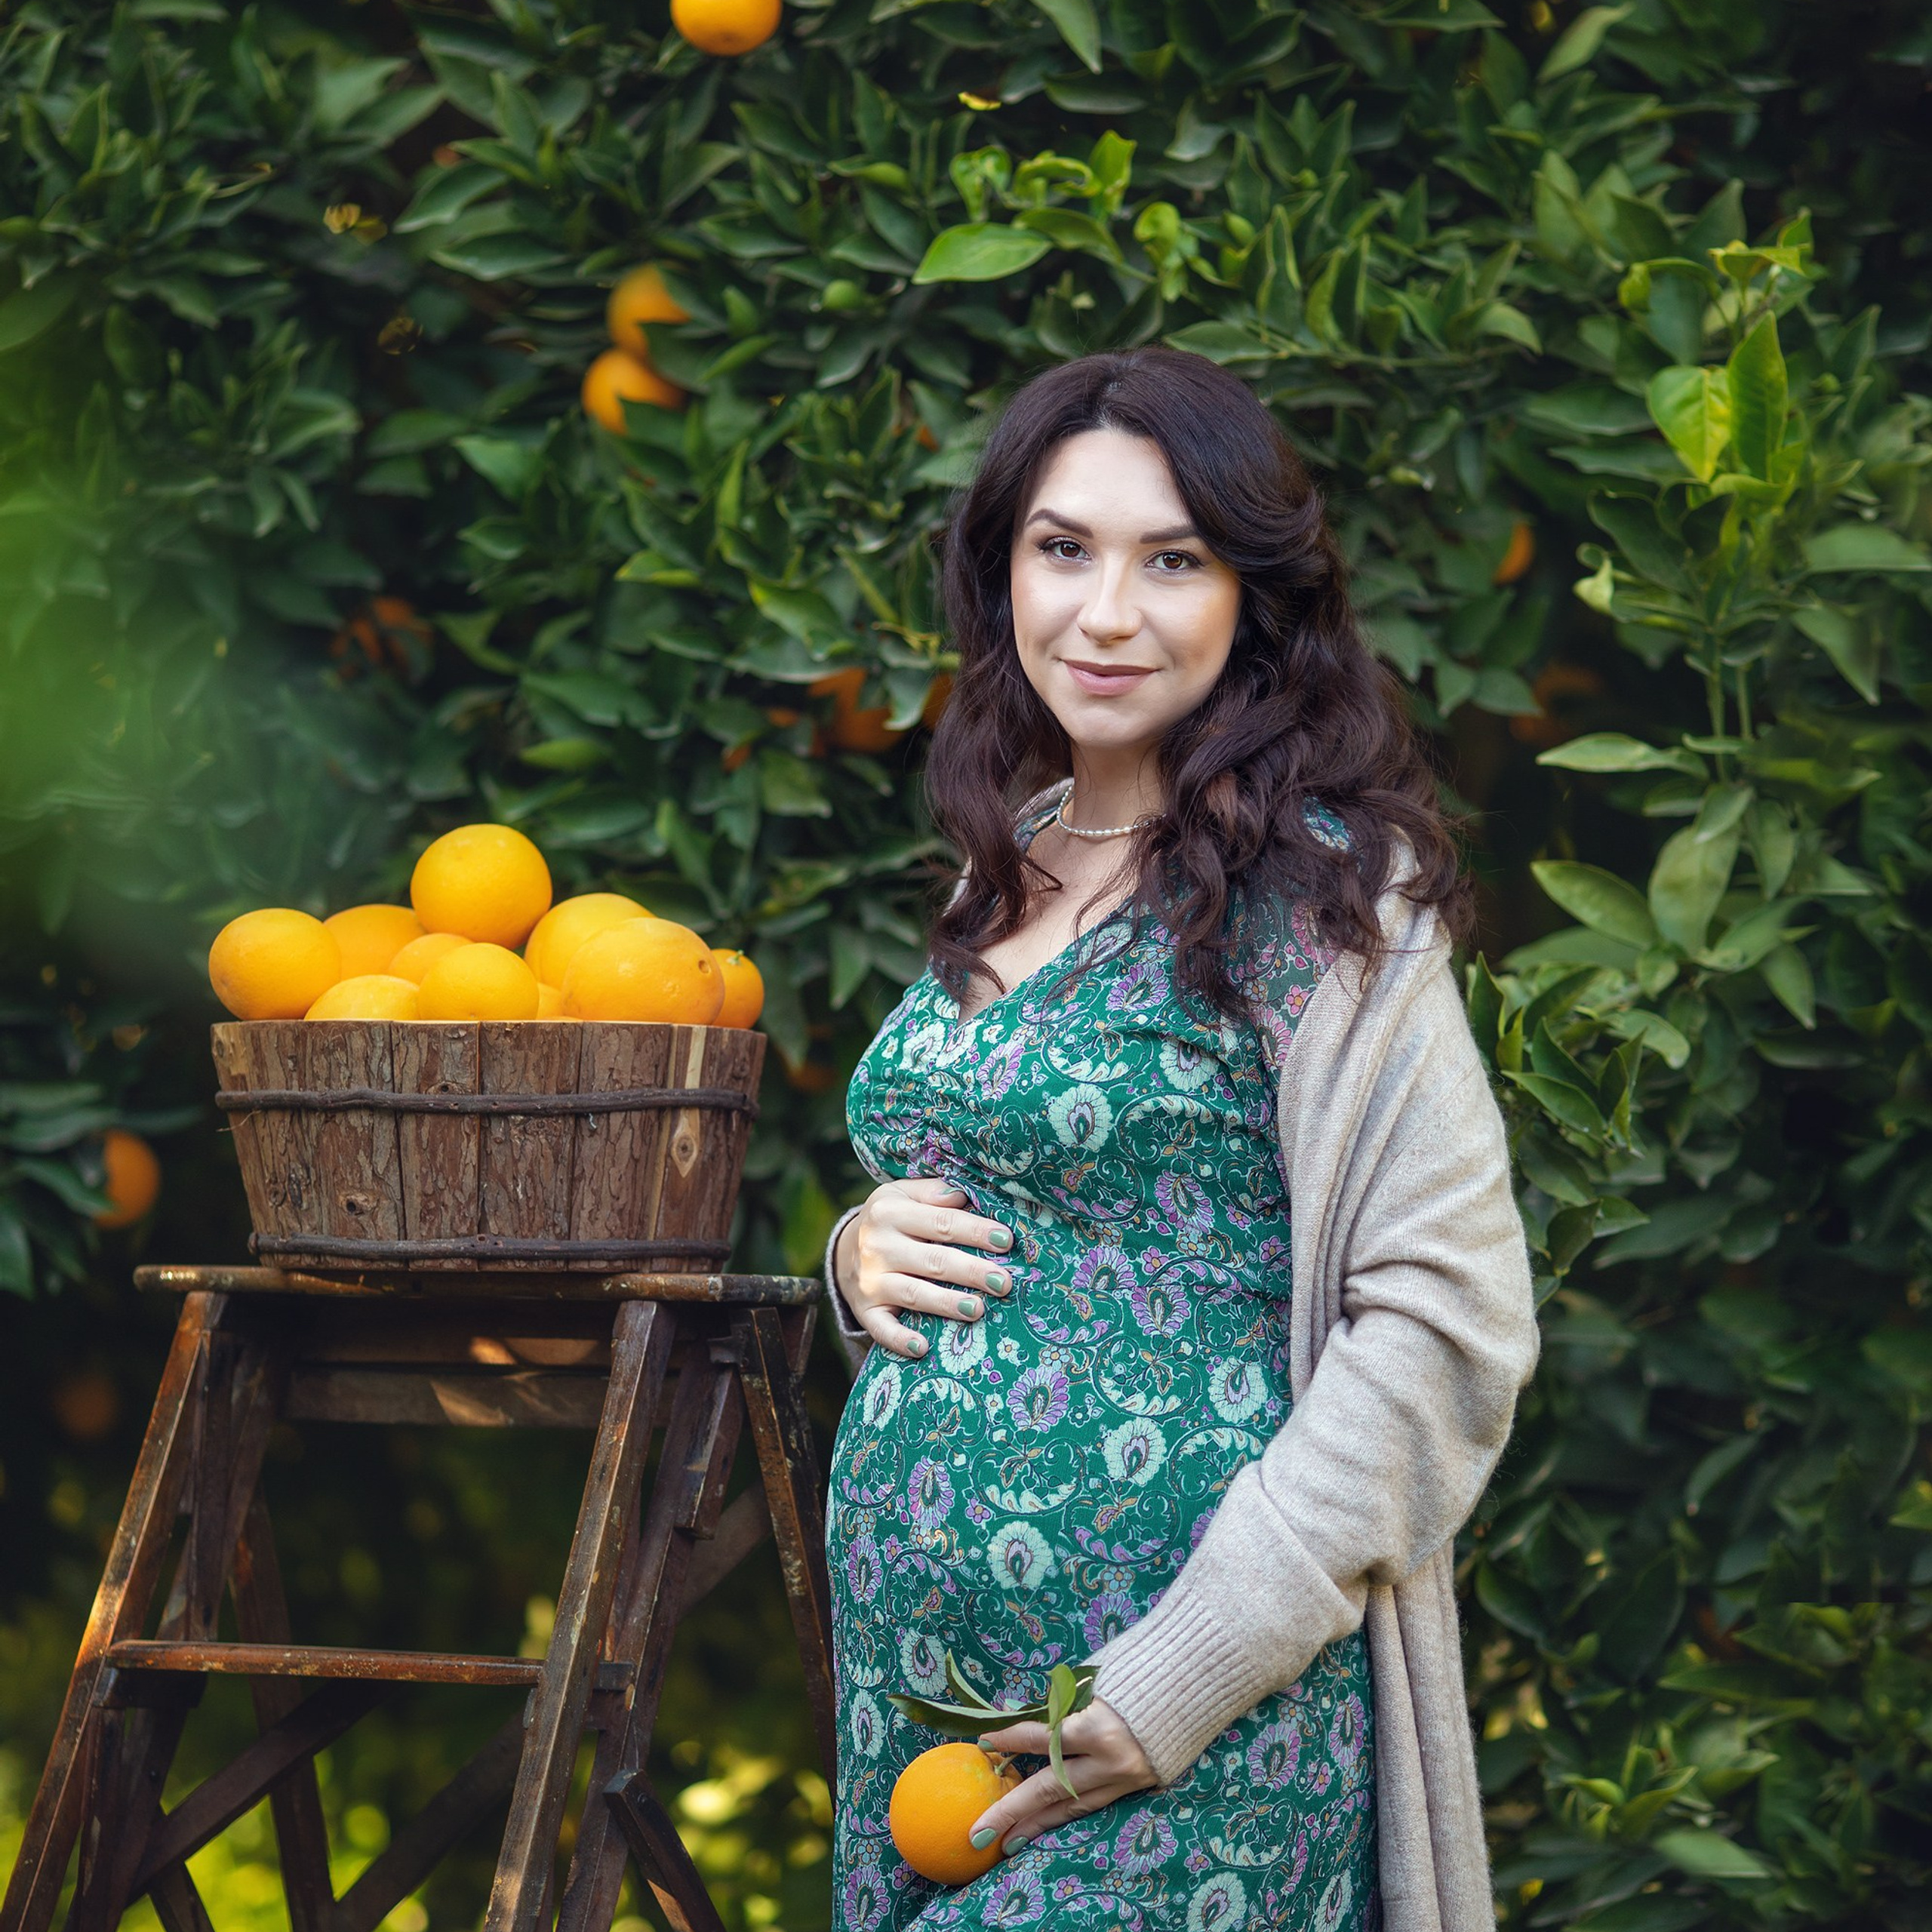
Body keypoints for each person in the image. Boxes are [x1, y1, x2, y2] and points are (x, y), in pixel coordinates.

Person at [818, 346, 1537, 1932]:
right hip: (924, 1716)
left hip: (1184, 1723)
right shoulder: (1004, 862)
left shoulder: (1329, 892)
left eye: (1172, 560)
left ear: (1250, 599)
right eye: (1061, 548)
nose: (1105, 612)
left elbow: (1447, 1321)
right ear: (1001, 562)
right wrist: (854, 1246)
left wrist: (1186, 1666)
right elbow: (1006, 1171)